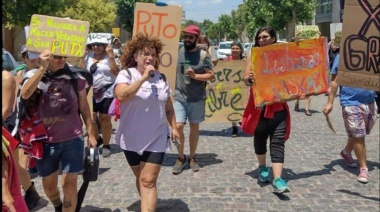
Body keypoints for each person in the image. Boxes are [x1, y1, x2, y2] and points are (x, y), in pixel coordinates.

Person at [20, 50, 97, 211]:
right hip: (45, 142)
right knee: (49, 187)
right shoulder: (34, 75)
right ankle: (57, 205)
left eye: (64, 56)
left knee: (69, 183)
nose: (62, 60)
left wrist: (91, 132)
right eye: (57, 57)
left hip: (73, 138)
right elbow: (25, 94)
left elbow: (84, 107)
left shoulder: (75, 77)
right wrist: (42, 68)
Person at [114, 33, 180, 211]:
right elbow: (121, 95)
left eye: (153, 54)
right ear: (136, 56)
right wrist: (143, 78)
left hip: (156, 136)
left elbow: (168, 106)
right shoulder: (126, 74)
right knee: (141, 177)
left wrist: (173, 127)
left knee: (148, 181)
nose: (150, 57)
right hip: (131, 138)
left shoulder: (161, 79)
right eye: (145, 54)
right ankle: (146, 203)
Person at [241, 26, 291, 193]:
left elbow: (293, 75)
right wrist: (250, 78)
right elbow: (245, 78)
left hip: (279, 106)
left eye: (264, 37)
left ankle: (278, 179)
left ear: (273, 38)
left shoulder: (282, 53)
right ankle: (262, 167)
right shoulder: (252, 54)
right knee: (260, 138)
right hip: (259, 107)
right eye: (259, 37)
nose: (261, 40)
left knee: (277, 142)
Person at [323, 54, 378, 184]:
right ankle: (363, 168)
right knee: (359, 135)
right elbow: (335, 80)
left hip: (370, 101)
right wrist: (330, 102)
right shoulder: (342, 56)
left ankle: (346, 152)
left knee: (361, 132)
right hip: (350, 101)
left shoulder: (372, 53)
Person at [172, 25, 215, 174]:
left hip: (197, 97)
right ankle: (180, 157)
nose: (187, 39)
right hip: (180, 96)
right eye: (186, 37)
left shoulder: (203, 55)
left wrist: (196, 76)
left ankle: (192, 157)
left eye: (190, 37)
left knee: (194, 127)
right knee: (177, 126)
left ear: (196, 39)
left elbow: (211, 74)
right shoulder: (179, 51)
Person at [4, 45, 42, 210]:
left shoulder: (6, 77)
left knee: (12, 164)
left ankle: (27, 191)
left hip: (6, 124)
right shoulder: (19, 72)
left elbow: (5, 110)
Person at [80, 40, 120, 157]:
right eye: (94, 45)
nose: (96, 47)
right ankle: (97, 138)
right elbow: (82, 71)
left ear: (104, 46)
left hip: (107, 92)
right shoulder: (89, 56)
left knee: (104, 119)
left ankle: (107, 144)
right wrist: (82, 57)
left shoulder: (110, 56)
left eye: (99, 45)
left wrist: (111, 56)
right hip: (91, 91)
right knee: (90, 118)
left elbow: (116, 72)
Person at [2, 66, 28, 211]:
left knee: (13, 172)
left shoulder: (5, 77)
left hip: (6, 130)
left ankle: (30, 191)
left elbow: (4, 111)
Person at [228, 41, 244, 137]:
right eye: (233, 48)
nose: (235, 50)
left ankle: (242, 121)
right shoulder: (226, 60)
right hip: (230, 88)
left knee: (242, 106)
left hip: (243, 88)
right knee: (232, 108)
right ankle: (234, 127)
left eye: (237, 48)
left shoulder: (245, 61)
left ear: (241, 50)